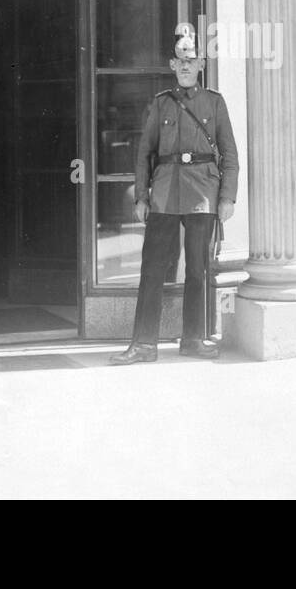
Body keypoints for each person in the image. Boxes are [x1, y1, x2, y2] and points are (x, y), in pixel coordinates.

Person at [110, 26, 239, 365]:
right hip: (165, 193)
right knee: (152, 268)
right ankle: (143, 344)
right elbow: (144, 154)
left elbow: (230, 155)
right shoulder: (160, 104)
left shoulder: (214, 102)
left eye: (191, 60)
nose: (185, 66)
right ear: (172, 64)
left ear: (200, 65)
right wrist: (141, 196)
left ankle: (193, 339)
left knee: (196, 269)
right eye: (180, 60)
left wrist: (227, 198)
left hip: (203, 194)